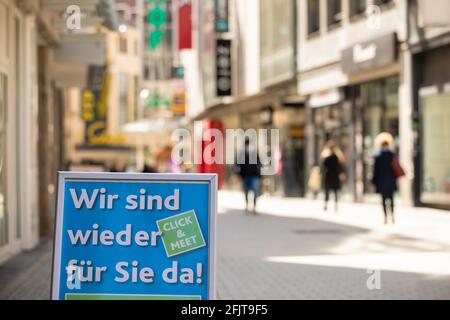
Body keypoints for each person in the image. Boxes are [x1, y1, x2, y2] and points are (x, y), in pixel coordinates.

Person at [372, 138, 400, 225]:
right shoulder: (392, 155)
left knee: (384, 200)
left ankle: (385, 217)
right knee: (391, 199)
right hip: (391, 180)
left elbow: (375, 171)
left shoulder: (378, 156)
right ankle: (392, 216)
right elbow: (396, 168)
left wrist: (374, 181)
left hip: (382, 181)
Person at [235, 138, 262, 214]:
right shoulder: (241, 154)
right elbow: (237, 165)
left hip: (254, 175)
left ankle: (254, 206)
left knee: (255, 190)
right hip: (245, 175)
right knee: (246, 191)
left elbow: (259, 164)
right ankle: (247, 205)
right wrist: (238, 174)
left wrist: (260, 175)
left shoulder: (254, 154)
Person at [320, 141, 344, 212]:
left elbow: (323, 166)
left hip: (328, 175)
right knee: (335, 190)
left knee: (327, 190)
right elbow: (340, 167)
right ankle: (335, 205)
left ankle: (326, 205)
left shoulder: (326, 156)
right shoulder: (337, 156)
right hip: (334, 175)